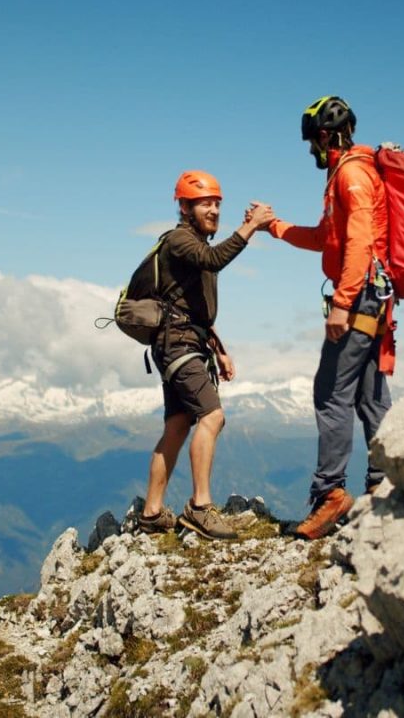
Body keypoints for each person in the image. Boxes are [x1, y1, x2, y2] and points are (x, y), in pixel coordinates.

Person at [266, 95, 394, 540]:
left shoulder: (353, 175)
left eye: (311, 143)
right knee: (369, 394)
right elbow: (327, 237)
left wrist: (343, 301)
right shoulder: (348, 174)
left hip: (359, 299)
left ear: (324, 136)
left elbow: (358, 241)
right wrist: (276, 227)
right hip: (373, 298)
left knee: (330, 393)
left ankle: (331, 495)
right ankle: (384, 482)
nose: (310, 153)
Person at [137, 170, 273, 540]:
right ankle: (200, 507)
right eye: (204, 203)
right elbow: (213, 259)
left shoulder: (191, 244)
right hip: (178, 344)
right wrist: (250, 229)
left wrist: (218, 348)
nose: (213, 209)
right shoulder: (181, 240)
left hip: (181, 342)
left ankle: (151, 513)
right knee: (212, 416)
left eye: (216, 203)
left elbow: (190, 306)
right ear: (184, 207)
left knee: (179, 424)